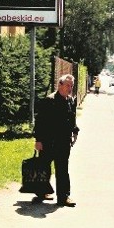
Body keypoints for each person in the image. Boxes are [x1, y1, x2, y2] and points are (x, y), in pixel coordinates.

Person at [33, 74, 80, 207]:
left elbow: (71, 119)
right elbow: (40, 121)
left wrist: (75, 131)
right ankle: (42, 192)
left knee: (62, 169)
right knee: (44, 167)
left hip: (64, 142)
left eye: (71, 86)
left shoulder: (70, 100)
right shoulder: (50, 100)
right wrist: (38, 140)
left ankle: (63, 197)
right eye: (67, 85)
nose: (70, 88)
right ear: (60, 85)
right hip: (48, 141)